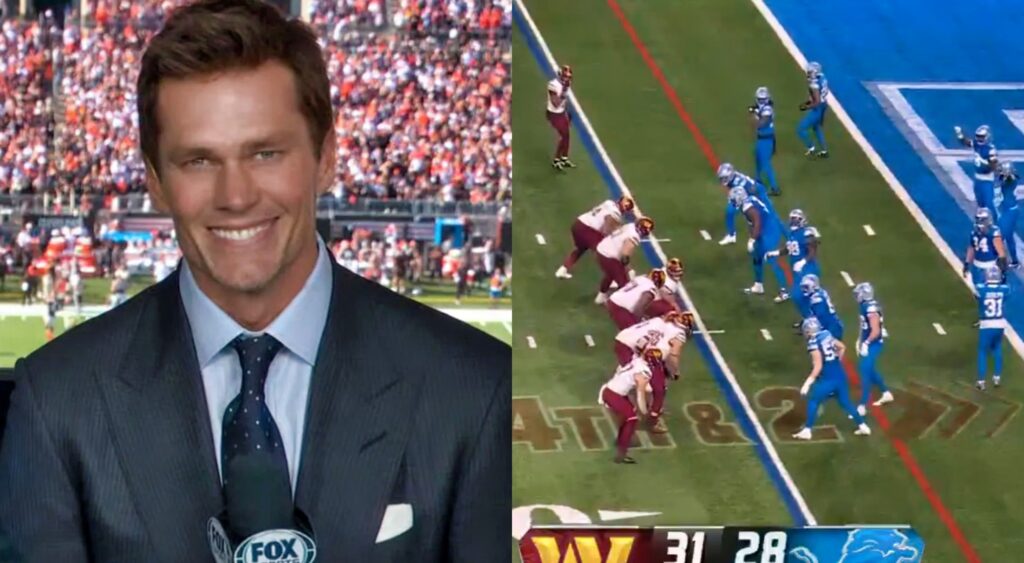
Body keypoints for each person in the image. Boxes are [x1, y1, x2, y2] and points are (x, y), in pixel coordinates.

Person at [0, 2, 510, 562]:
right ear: (156, 183)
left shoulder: (474, 389)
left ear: (326, 158)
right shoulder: (58, 403)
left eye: (265, 153)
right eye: (198, 161)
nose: (236, 196)